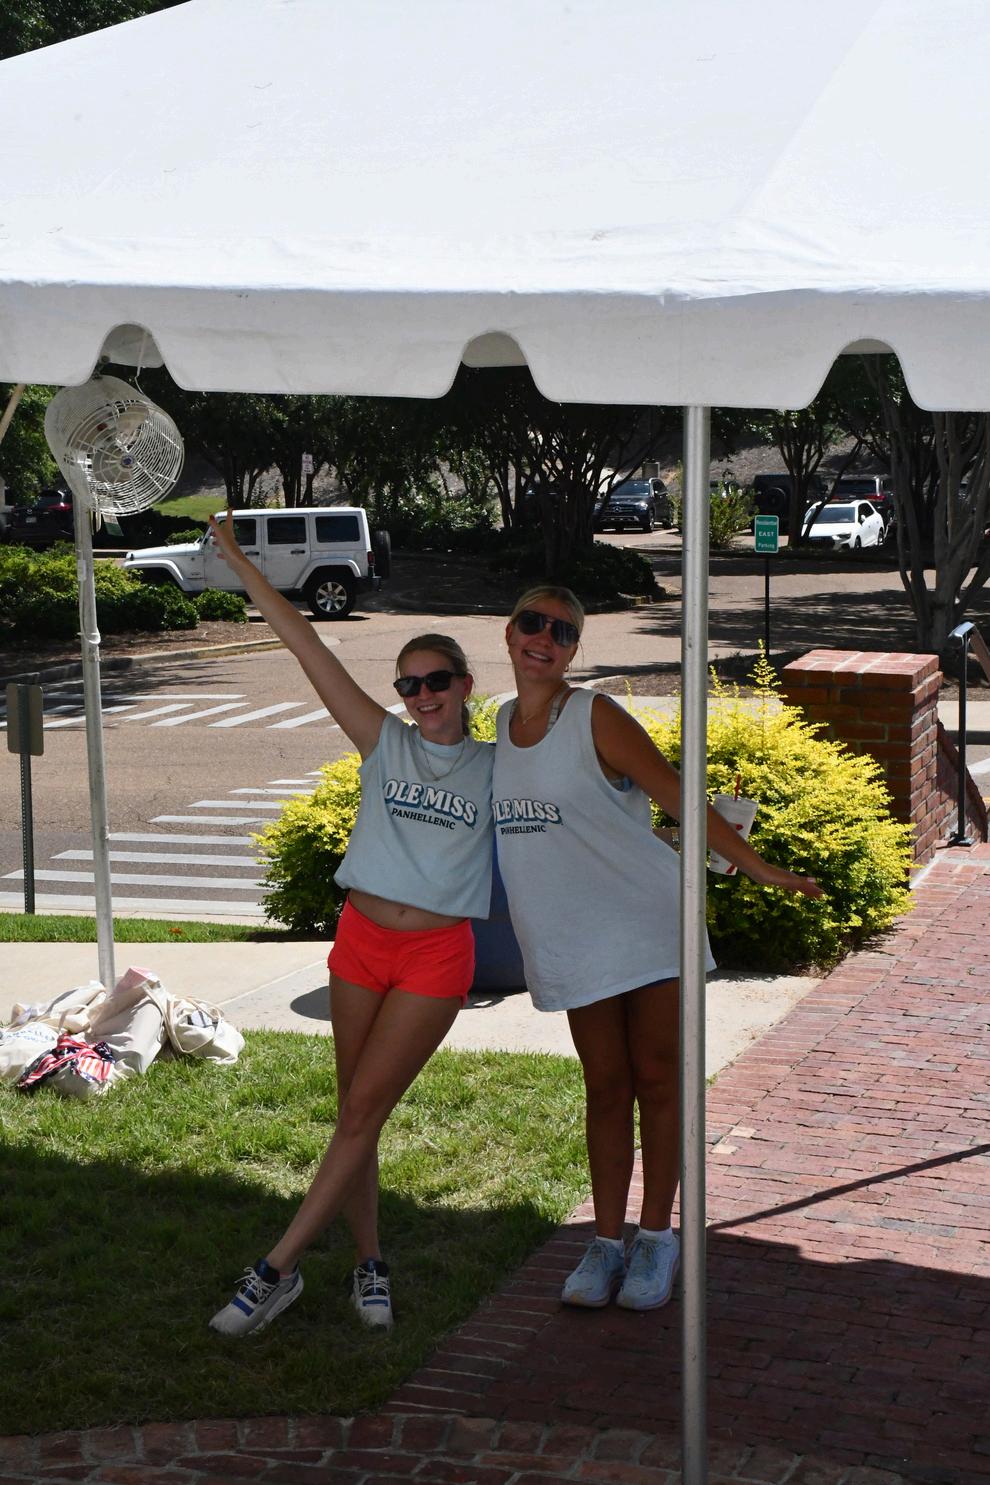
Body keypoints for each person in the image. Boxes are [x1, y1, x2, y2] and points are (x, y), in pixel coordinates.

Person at [493, 585, 822, 1311]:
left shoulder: (595, 715)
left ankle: (655, 1238)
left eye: (563, 630)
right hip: (573, 938)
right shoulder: (498, 723)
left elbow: (678, 796)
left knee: (658, 1080)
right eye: (533, 622)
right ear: (509, 633)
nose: (545, 637)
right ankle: (605, 1242)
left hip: (646, 922)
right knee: (605, 1087)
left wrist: (760, 868)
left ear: (574, 649)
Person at [206, 512, 494, 1337]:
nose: (422, 695)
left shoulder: (495, 766)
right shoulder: (384, 741)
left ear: (465, 684)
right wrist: (241, 564)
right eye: (408, 685)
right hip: (360, 942)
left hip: (436, 955)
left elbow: (576, 797)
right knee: (353, 1114)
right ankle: (369, 1262)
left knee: (364, 1110)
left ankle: (275, 1270)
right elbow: (308, 648)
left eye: (436, 680)